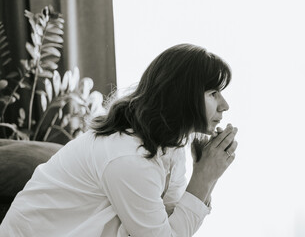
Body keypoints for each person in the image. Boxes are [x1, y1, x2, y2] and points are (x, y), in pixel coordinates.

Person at [0, 43, 238, 237]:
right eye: (213, 94)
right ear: (181, 97)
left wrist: (205, 171)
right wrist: (205, 177)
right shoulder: (129, 156)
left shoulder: (170, 144)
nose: (224, 105)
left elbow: (172, 219)